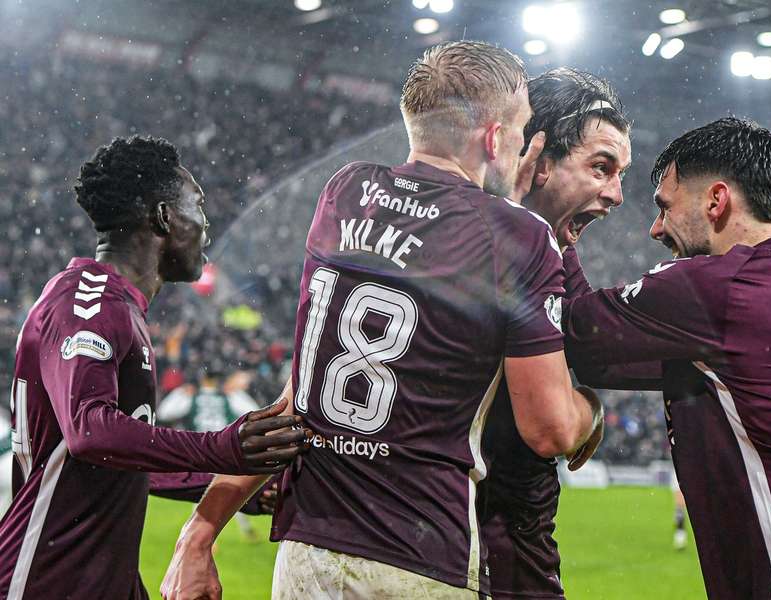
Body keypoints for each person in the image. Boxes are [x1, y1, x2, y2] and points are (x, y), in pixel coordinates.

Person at [161, 41, 603, 600]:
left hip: (309, 554)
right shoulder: (517, 235)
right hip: (419, 557)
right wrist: (592, 411)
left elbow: (299, 398)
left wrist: (198, 535)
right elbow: (550, 430)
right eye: (519, 131)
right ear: (494, 138)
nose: (522, 147)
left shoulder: (345, 191)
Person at [564, 117, 771, 598]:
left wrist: (558, 222)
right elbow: (601, 361)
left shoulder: (721, 286)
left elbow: (575, 327)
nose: (656, 228)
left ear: (716, 201)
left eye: (665, 207)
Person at [0, 136, 311, 600]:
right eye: (198, 205)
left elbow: (112, 457)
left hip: (99, 577)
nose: (206, 224)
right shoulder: (88, 299)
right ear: (164, 216)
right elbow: (90, 433)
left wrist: (210, 484)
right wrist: (220, 449)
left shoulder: (119, 307)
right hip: (44, 576)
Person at [477, 67, 631, 600]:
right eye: (601, 167)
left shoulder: (547, 251)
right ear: (537, 159)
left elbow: (594, 342)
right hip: (491, 552)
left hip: (451, 542)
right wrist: (589, 412)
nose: (615, 194)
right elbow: (554, 431)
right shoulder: (494, 245)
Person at [157, 364, 262, 540]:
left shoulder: (191, 395)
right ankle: (209, 534)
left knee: (205, 491)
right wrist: (237, 392)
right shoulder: (228, 396)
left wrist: (180, 393)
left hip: (200, 450)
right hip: (225, 449)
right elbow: (255, 411)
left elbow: (164, 413)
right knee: (229, 489)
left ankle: (199, 535)